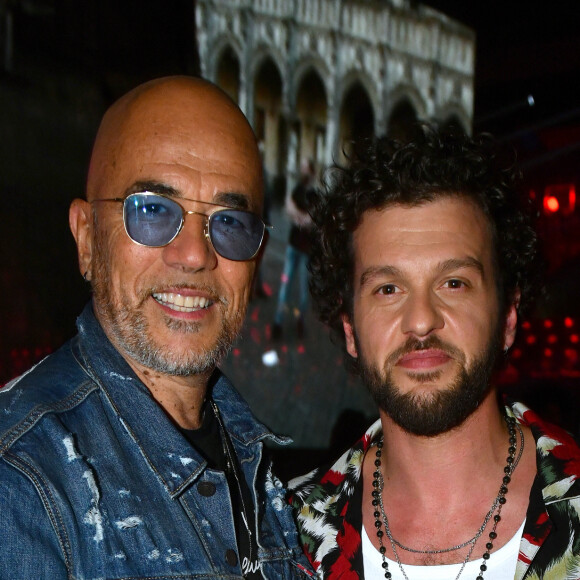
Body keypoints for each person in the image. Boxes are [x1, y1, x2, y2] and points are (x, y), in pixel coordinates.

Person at [0, 76, 314, 579]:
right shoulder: (22, 483)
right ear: (87, 238)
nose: (193, 254)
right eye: (151, 210)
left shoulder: (251, 458)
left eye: (229, 222)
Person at [289, 127, 580, 579]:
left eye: (453, 283)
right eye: (388, 288)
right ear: (350, 330)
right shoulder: (284, 536)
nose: (421, 320)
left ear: (507, 317)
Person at [272, 159, 316, 340]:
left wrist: (301, 217)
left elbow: (312, 220)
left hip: (306, 250)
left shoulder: (313, 195)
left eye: (307, 170)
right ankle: (278, 322)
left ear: (312, 174)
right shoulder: (297, 191)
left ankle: (300, 321)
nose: (304, 174)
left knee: (304, 291)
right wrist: (300, 217)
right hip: (294, 246)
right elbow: (290, 210)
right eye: (303, 170)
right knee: (286, 286)